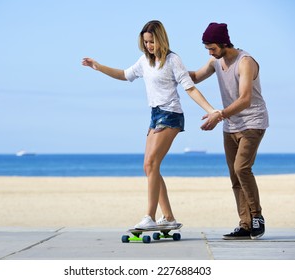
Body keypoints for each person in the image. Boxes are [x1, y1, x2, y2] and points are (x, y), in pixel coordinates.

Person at [82, 20, 220, 229]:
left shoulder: (173, 60)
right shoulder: (144, 61)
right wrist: (98, 67)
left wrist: (211, 111)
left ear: (160, 39)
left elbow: (190, 88)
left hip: (171, 114)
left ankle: (149, 217)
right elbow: (124, 74)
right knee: (149, 167)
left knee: (152, 164)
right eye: (145, 42)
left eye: (152, 42)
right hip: (155, 115)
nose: (149, 46)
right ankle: (169, 217)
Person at [189, 22, 269, 239]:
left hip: (253, 122)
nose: (210, 53)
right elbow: (194, 76)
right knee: (234, 174)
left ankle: (257, 217)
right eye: (207, 49)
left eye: (212, 48)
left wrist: (219, 114)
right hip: (230, 125)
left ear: (224, 43)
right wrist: (171, 71)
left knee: (242, 168)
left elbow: (245, 99)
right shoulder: (216, 61)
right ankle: (245, 224)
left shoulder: (245, 62)